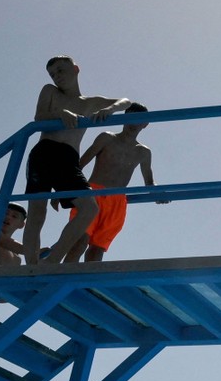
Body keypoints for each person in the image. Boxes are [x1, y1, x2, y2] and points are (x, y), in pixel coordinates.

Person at [23, 55, 131, 264]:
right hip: (45, 152)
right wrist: (60, 113)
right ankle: (31, 266)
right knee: (37, 212)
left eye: (60, 70)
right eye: (52, 74)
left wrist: (109, 109)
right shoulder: (50, 91)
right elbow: (39, 116)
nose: (57, 76)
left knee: (89, 208)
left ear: (75, 69)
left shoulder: (90, 103)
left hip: (68, 157)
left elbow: (126, 102)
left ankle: (52, 261)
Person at [54, 102, 167, 262]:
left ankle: (88, 279)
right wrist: (63, 187)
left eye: (138, 119)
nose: (133, 123)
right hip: (92, 194)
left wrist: (158, 193)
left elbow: (149, 181)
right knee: (79, 242)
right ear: (123, 118)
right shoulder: (107, 138)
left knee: (97, 250)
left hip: (117, 201)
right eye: (130, 118)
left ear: (145, 124)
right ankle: (64, 275)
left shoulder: (143, 152)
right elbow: (80, 164)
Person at [0, 202, 26, 267]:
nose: (8, 217)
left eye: (14, 216)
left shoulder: (16, 259)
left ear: (21, 225)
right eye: (5, 213)